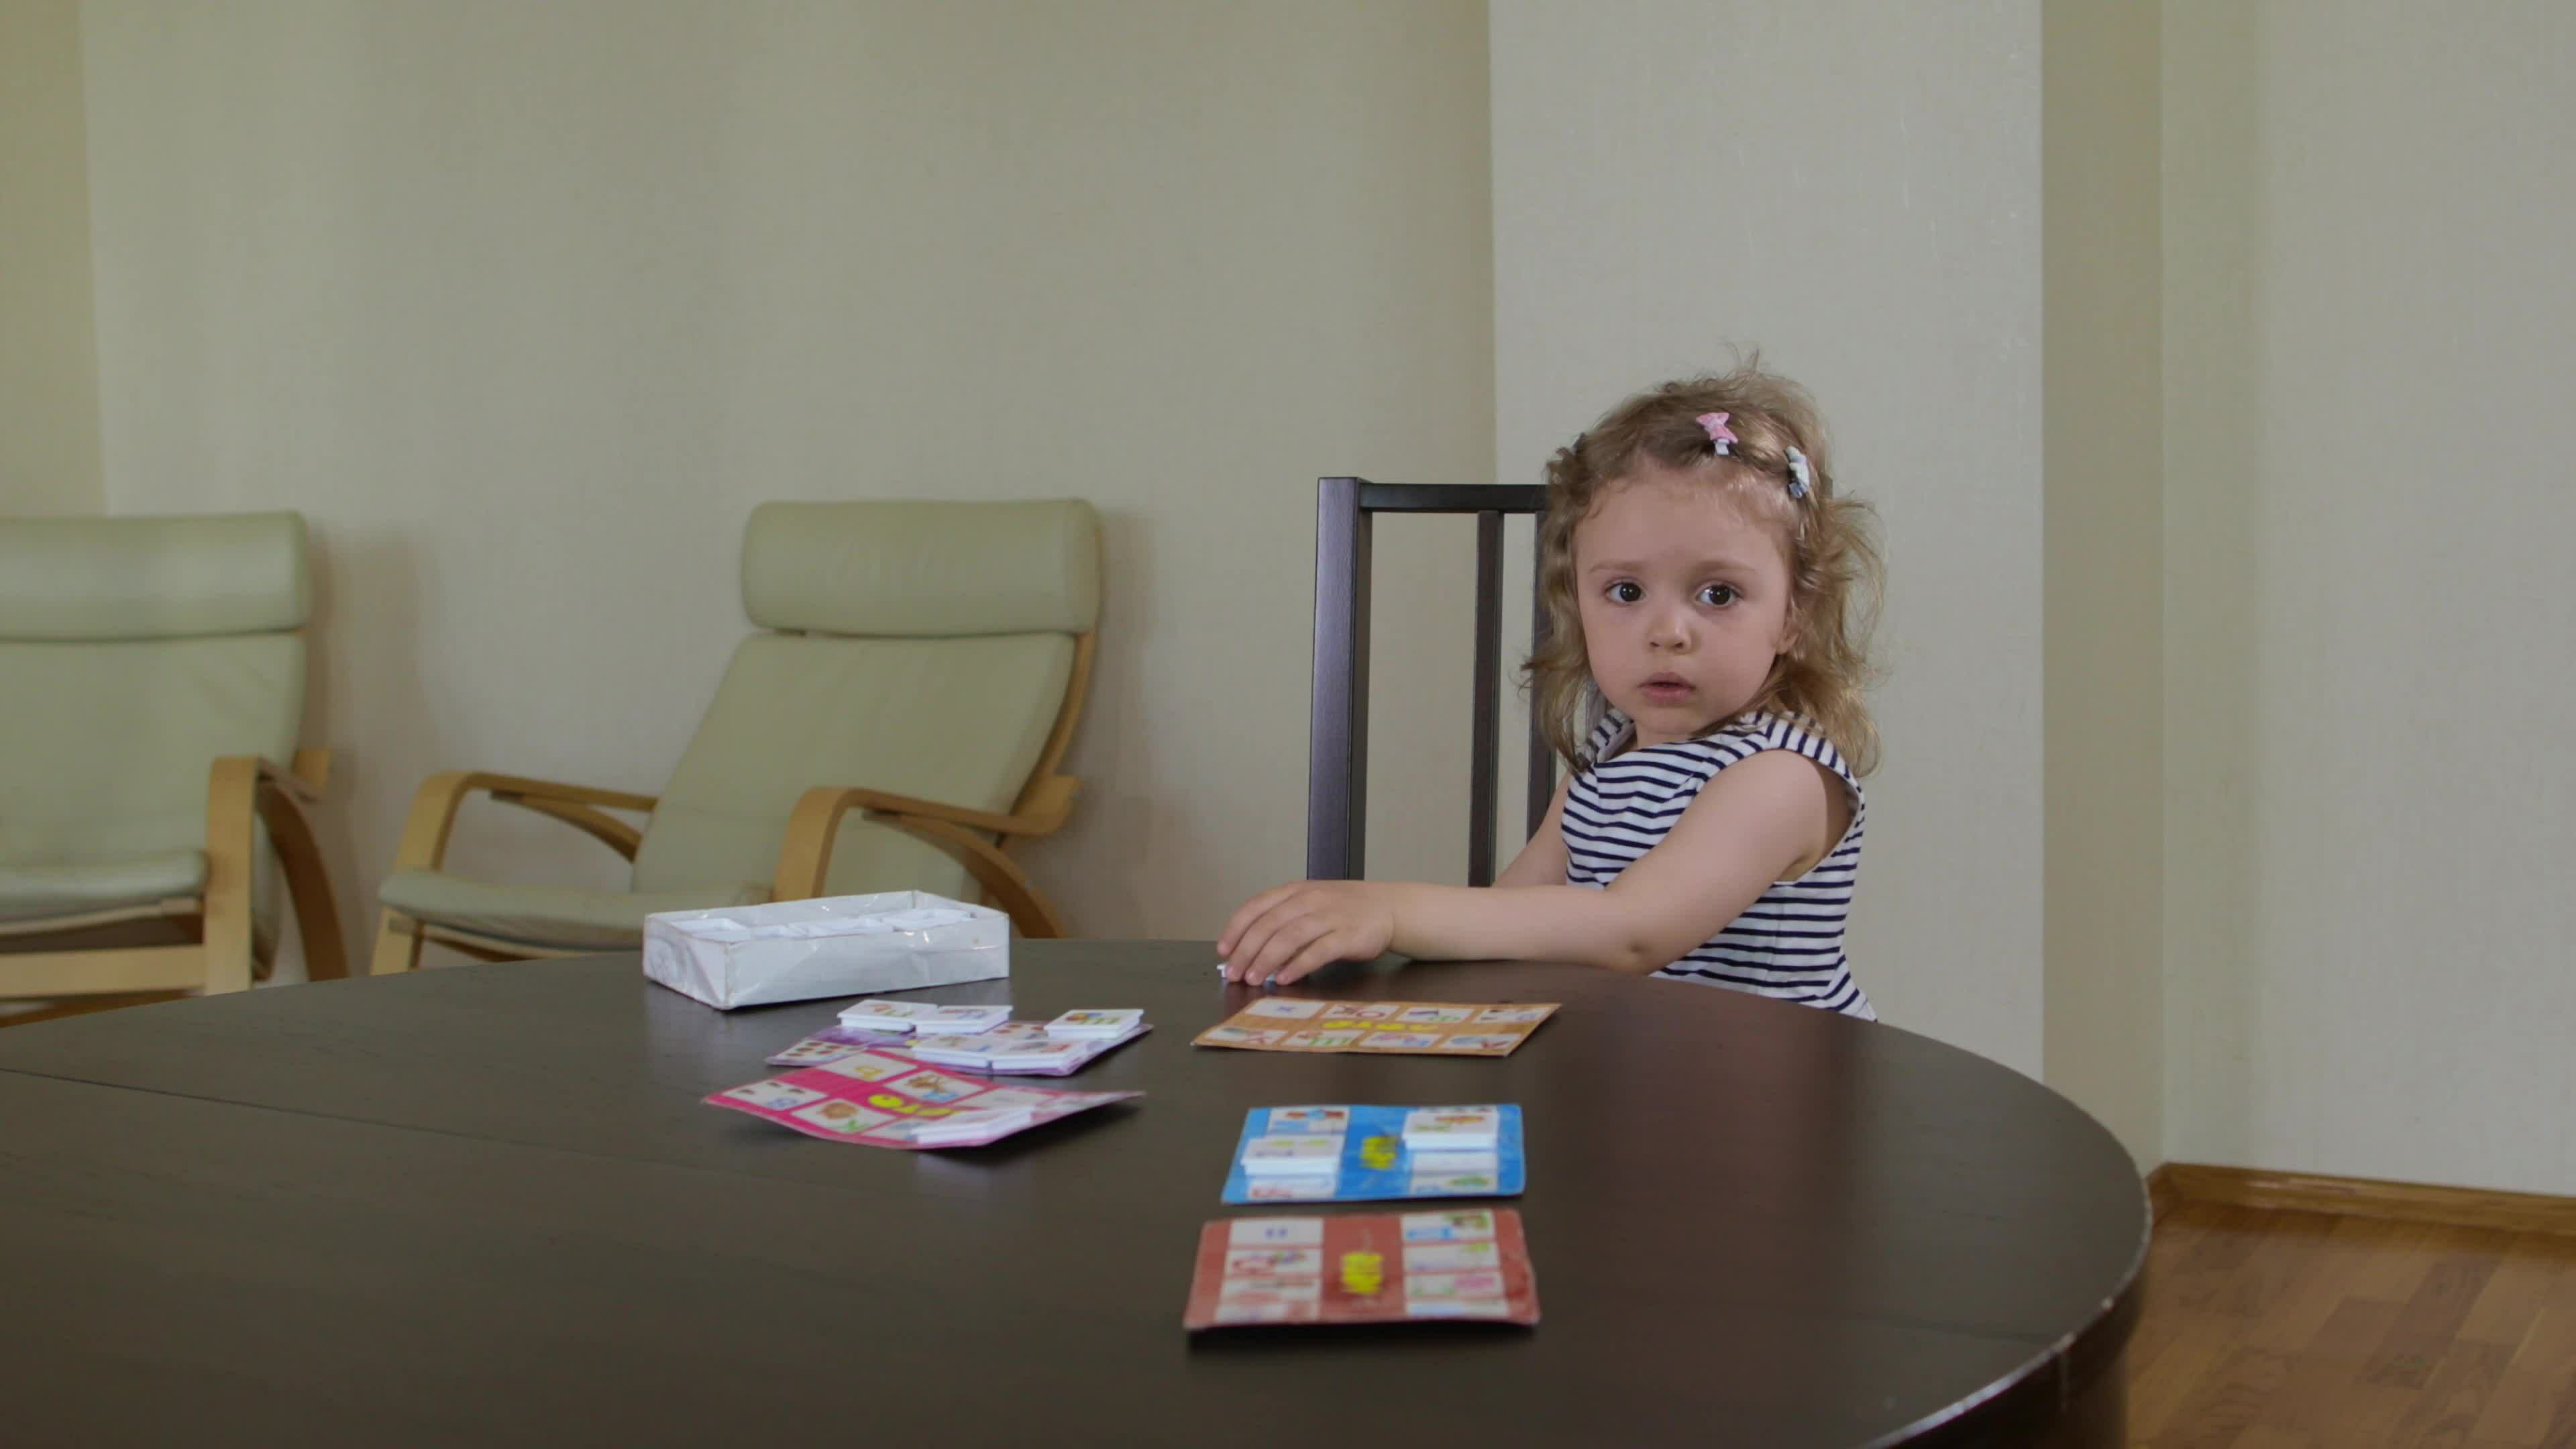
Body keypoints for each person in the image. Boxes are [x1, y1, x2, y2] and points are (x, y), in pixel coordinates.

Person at [1218, 361, 1885, 1017]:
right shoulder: (1607, 763)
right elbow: (1508, 915)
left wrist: (1394, 911)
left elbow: (1634, 930)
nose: (1668, 632)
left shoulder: (1782, 777)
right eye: (1625, 592)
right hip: (1649, 1080)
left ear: (1794, 615)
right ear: (1577, 603)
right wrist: (1368, 931)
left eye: (1719, 593)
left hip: (1773, 1095)